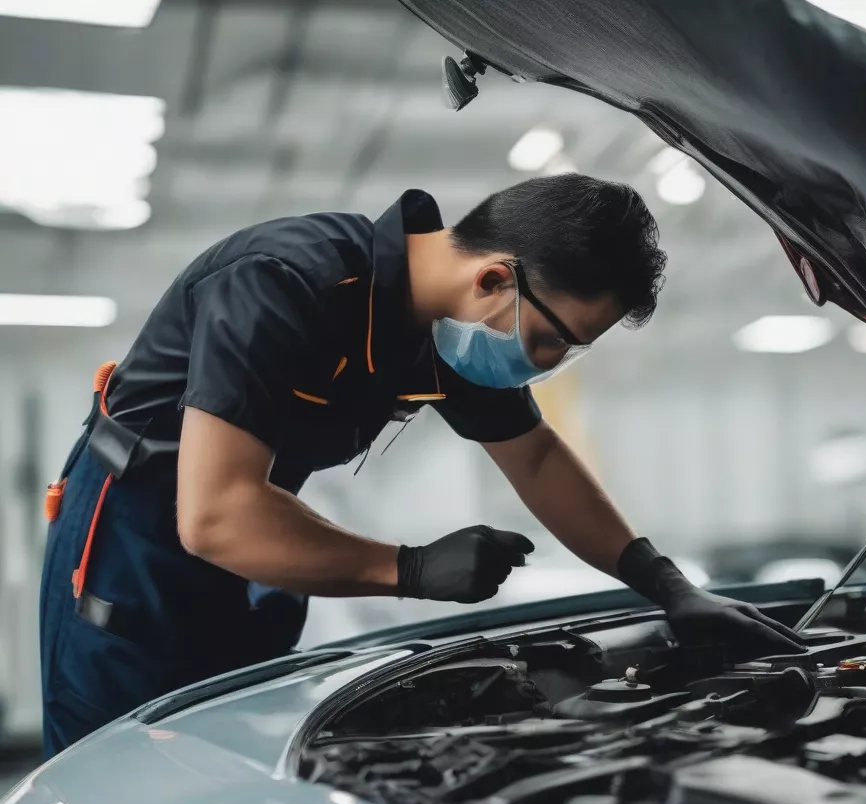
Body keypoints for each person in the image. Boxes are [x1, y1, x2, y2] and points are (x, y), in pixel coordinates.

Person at [38, 173, 803, 757]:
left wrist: (665, 584)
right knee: (121, 786)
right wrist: (409, 569)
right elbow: (213, 517)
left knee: (223, 774)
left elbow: (536, 458)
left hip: (252, 561)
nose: (545, 366)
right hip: (125, 566)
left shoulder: (444, 330)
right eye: (552, 342)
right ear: (496, 279)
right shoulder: (282, 282)